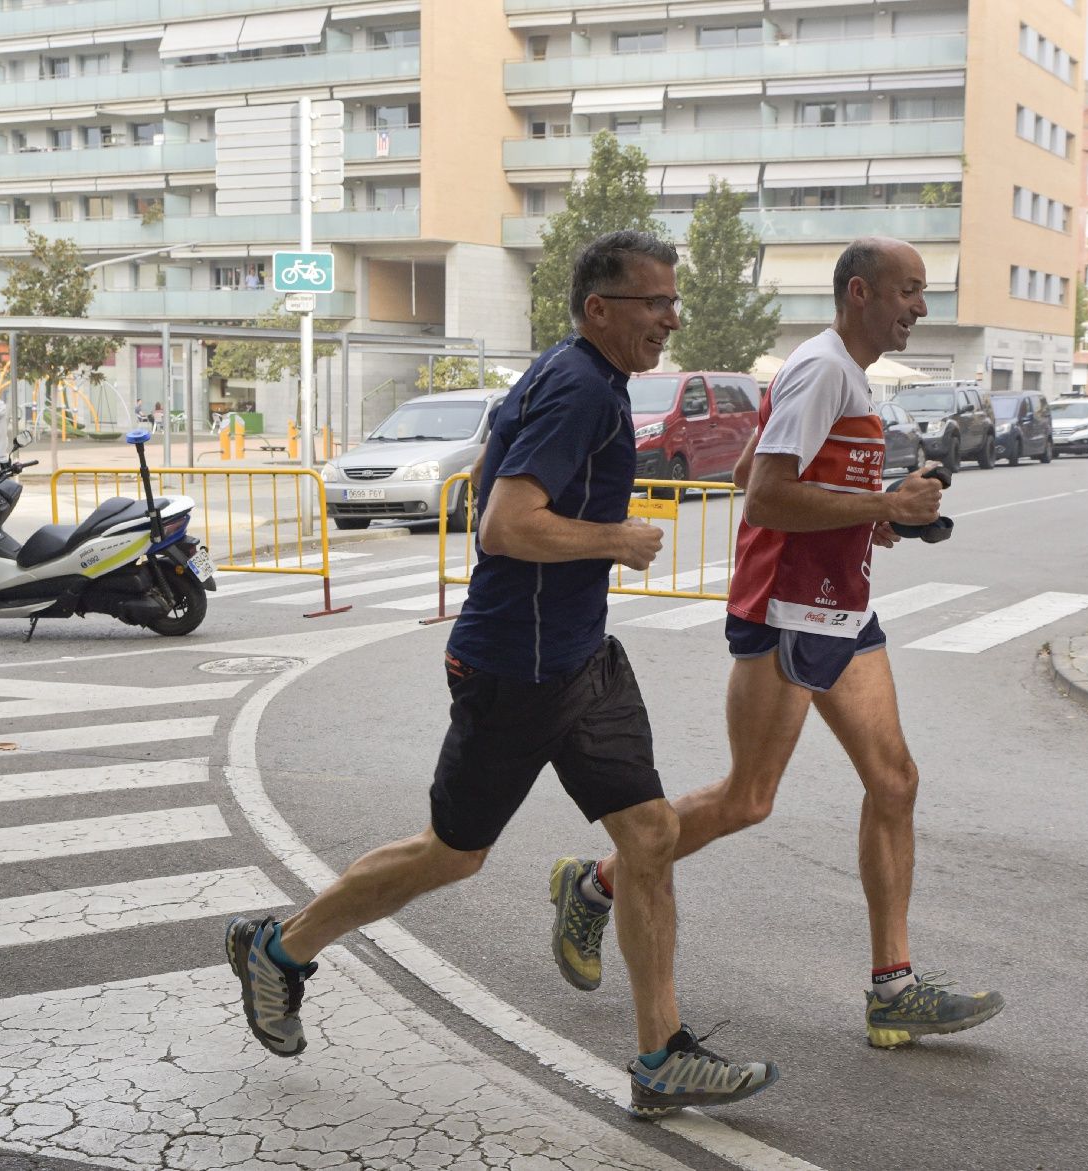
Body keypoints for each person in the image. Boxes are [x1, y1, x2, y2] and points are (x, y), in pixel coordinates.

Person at [225, 230, 779, 1118]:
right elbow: (504, 525)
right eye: (655, 303)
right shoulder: (579, 389)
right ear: (601, 309)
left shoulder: (573, 374)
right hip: (516, 670)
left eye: (673, 302)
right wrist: (616, 539)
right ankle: (280, 949)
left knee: (649, 834)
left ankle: (659, 1054)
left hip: (579, 656)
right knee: (453, 853)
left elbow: (491, 472)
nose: (671, 319)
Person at [550, 236, 1007, 1049]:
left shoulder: (844, 372)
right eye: (910, 291)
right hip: (787, 612)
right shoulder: (823, 367)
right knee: (748, 798)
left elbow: (750, 470)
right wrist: (879, 508)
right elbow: (762, 498)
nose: (920, 308)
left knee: (894, 781)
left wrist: (876, 514)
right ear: (860, 293)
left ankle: (892, 985)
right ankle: (596, 885)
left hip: (837, 605)